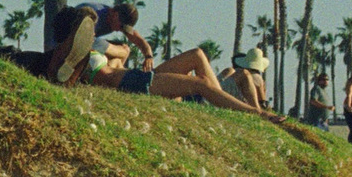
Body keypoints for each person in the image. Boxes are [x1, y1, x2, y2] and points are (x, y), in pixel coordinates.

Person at [74, 45, 285, 121]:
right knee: (201, 82)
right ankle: (255, 113)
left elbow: (123, 52)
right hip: (133, 83)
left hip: (136, 77)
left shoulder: (96, 52)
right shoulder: (80, 58)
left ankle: (217, 99)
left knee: (197, 54)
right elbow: (121, 50)